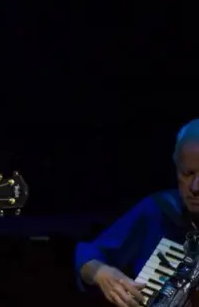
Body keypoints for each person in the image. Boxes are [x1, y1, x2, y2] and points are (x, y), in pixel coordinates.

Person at [74, 118, 199, 307]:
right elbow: (89, 252)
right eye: (187, 173)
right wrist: (101, 273)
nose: (195, 187)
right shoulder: (159, 212)